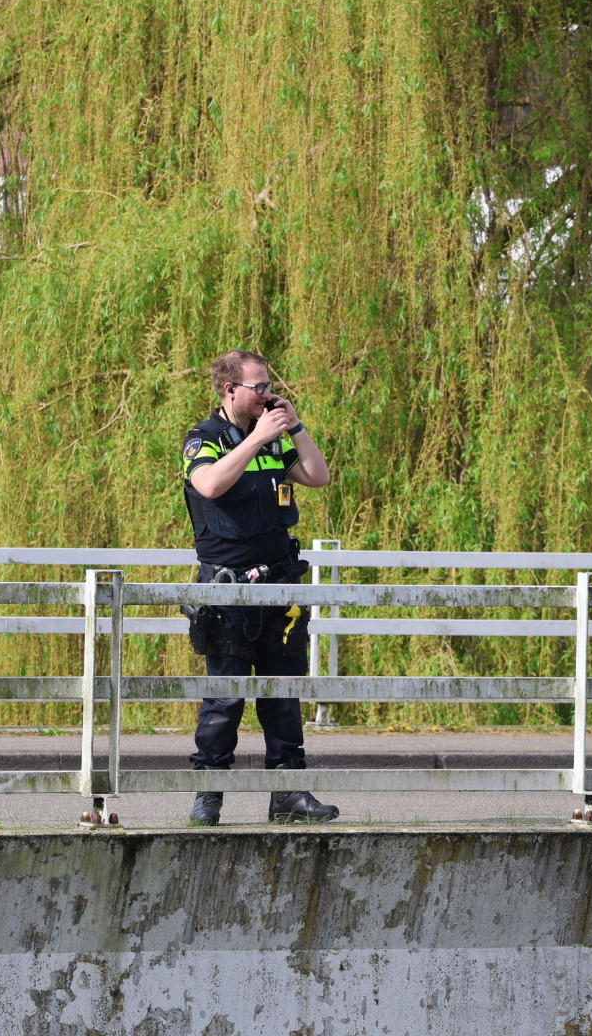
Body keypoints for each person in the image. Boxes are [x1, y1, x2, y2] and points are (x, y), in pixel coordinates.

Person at [180, 349, 337, 826]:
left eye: (270, 385)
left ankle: (288, 794)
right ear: (230, 390)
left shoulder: (275, 439)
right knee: (225, 698)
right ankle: (209, 795)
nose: (269, 393)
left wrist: (294, 428)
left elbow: (318, 476)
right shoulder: (203, 439)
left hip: (280, 587)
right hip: (228, 593)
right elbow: (208, 485)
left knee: (283, 693)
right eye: (259, 387)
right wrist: (256, 439)